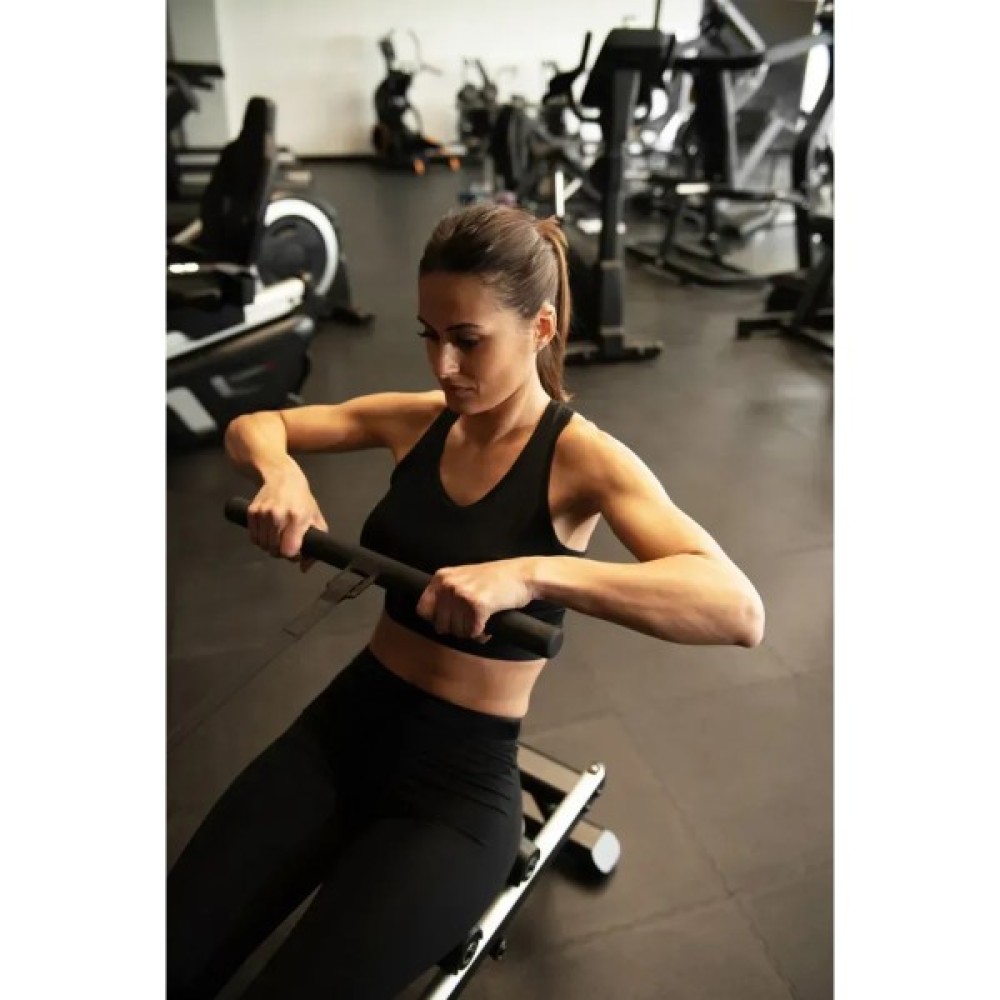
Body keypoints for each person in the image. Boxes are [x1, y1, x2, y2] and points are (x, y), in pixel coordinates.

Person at [167, 203, 765, 999]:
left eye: (468, 340)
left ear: (540, 327)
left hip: (456, 792)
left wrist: (533, 575)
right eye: (429, 335)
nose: (442, 365)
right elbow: (256, 425)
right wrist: (282, 476)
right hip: (340, 731)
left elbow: (737, 609)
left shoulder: (583, 460)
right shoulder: (421, 422)